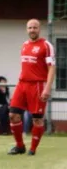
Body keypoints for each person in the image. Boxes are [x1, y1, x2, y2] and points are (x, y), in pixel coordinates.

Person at [7, 19, 55, 156]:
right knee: (13, 115)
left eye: (35, 27)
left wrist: (47, 88)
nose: (32, 30)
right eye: (29, 28)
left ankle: (33, 149)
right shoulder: (24, 45)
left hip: (38, 85)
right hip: (22, 84)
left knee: (37, 119)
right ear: (26, 29)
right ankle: (20, 146)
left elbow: (52, 67)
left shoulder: (46, 46)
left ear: (39, 29)